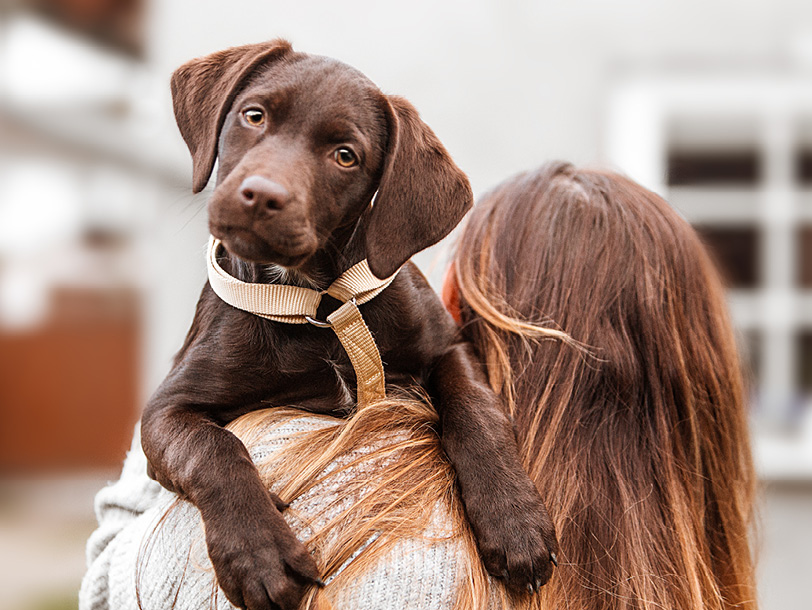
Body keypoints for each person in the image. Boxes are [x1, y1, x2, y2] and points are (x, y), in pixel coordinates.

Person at [80, 162, 758, 610]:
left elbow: (110, 586)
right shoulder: (689, 578)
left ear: (459, 301)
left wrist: (182, 407)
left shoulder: (329, 506)